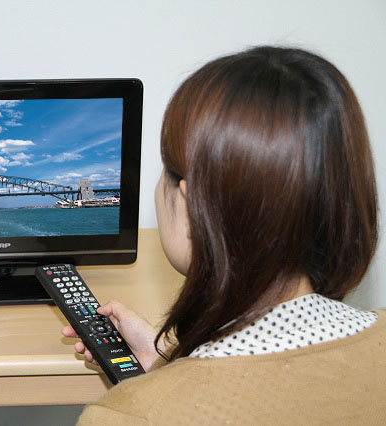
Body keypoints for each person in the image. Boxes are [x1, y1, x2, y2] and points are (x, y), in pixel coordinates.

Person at [63, 46, 386, 424]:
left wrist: (149, 397)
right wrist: (166, 367)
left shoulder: (124, 417)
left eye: (165, 168)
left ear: (192, 207)